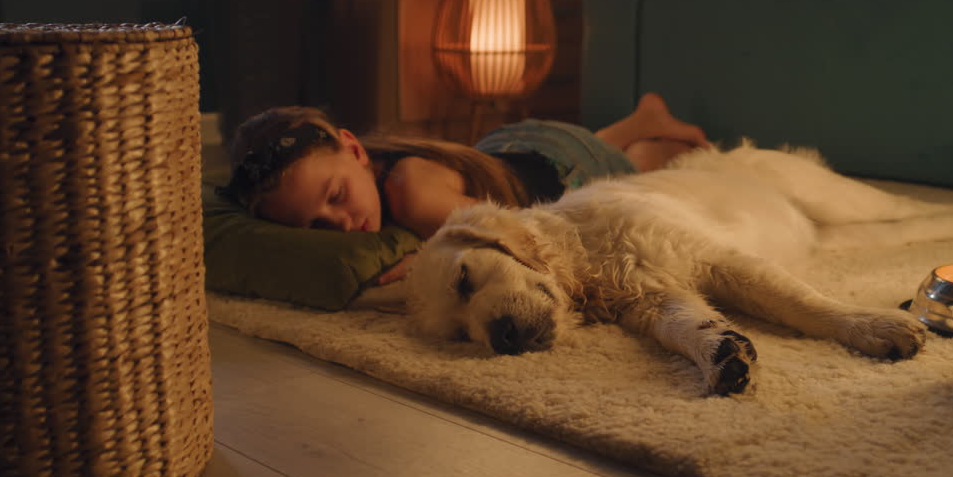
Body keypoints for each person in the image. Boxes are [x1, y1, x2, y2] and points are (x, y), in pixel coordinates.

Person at [218, 93, 709, 283]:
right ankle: (637, 119)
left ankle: (645, 140)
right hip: (511, 145)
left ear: (353, 149)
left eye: (337, 196)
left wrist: (421, 265)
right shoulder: (380, 164)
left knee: (650, 167)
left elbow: (514, 235)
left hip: (564, 166)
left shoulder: (413, 195)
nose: (342, 225)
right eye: (317, 227)